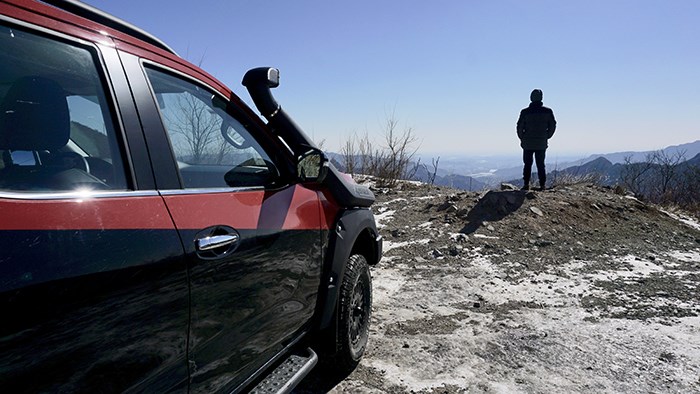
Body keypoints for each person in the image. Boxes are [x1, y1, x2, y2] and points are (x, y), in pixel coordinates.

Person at [516, 89, 556, 190]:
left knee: (527, 164)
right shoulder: (547, 111)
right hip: (541, 142)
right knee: (541, 164)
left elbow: (519, 126)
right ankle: (542, 185)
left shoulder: (525, 112)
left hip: (527, 143)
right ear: (541, 97)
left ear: (531, 98)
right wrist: (547, 136)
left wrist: (522, 138)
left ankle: (526, 184)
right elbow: (553, 125)